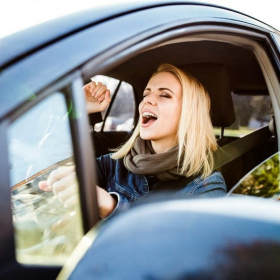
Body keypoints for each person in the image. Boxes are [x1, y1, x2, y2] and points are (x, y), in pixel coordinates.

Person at [39, 64, 227, 219]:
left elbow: (178, 254)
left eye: (164, 95)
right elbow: (48, 170)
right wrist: (79, 112)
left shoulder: (207, 186)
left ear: (189, 113)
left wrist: (111, 207)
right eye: (146, 94)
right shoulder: (116, 164)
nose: (148, 100)